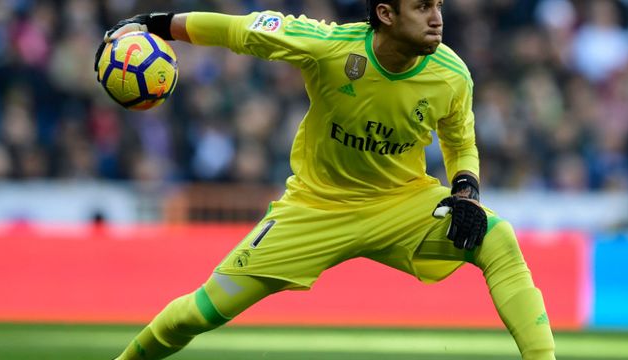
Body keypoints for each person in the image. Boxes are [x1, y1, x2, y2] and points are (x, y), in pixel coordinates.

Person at [97, 1, 556, 359]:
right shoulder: (329, 46)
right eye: (422, 7)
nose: (437, 19)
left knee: (499, 239)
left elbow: (460, 141)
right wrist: (155, 24)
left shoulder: (452, 75)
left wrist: (466, 188)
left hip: (402, 204)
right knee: (197, 315)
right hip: (315, 208)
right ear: (386, 14)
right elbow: (241, 31)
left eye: (438, 6)